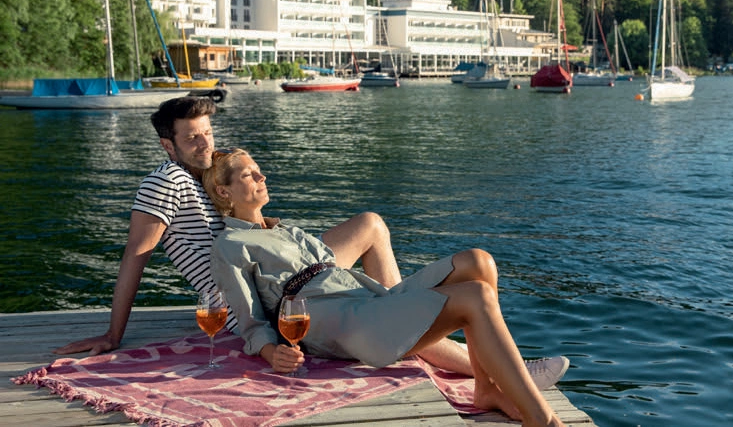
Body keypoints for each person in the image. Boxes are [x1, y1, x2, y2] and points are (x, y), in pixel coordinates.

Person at [52, 97, 566, 391]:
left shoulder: (207, 174)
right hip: (248, 294)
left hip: (272, 268)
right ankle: (476, 360)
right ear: (168, 145)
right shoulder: (164, 181)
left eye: (207, 133)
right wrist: (113, 335)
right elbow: (135, 256)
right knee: (377, 289)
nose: (205, 144)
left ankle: (397, 310)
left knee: (370, 224)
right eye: (192, 138)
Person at [203, 149, 567, 427]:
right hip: (333, 321)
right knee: (476, 296)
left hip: (365, 298)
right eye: (249, 174)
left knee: (479, 261)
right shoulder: (230, 245)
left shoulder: (286, 230)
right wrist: (271, 352)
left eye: (258, 170)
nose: (262, 176)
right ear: (224, 190)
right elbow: (250, 319)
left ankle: (485, 388)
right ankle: (542, 420)